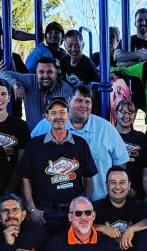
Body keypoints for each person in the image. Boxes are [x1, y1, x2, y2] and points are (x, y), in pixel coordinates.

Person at [30, 84, 129, 201]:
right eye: (79, 100)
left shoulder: (106, 128)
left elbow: (120, 164)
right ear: (69, 101)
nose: (84, 105)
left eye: (87, 102)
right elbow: (30, 158)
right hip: (55, 203)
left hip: (99, 201)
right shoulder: (46, 125)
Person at [18, 96, 98, 236]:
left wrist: (84, 208)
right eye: (53, 113)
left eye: (62, 112)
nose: (58, 117)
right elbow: (25, 179)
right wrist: (32, 209)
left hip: (73, 212)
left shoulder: (80, 144)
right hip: (45, 212)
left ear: (68, 115)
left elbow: (89, 178)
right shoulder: (35, 145)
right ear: (47, 117)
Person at [0, 56, 74, 130]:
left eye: (49, 72)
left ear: (56, 73)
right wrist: (16, 84)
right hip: (31, 136)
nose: (45, 76)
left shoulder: (65, 90)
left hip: (56, 136)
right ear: (36, 73)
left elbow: (72, 118)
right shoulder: (30, 80)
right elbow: (1, 74)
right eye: (41, 72)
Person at [0, 78, 30, 191]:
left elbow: (22, 162)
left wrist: (10, 189)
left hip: (13, 188)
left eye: (3, 94)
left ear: (9, 98)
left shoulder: (21, 125)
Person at [92, 166, 147, 240]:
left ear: (129, 185)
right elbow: (80, 224)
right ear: (106, 186)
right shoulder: (95, 207)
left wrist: (132, 229)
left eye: (122, 182)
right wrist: (102, 228)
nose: (118, 187)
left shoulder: (138, 205)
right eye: (113, 182)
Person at [114, 100, 147, 199]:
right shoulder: (109, 135)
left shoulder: (141, 137)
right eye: (123, 112)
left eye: (130, 113)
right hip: (114, 190)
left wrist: (136, 190)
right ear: (116, 114)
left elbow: (145, 167)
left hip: (137, 193)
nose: (126, 116)